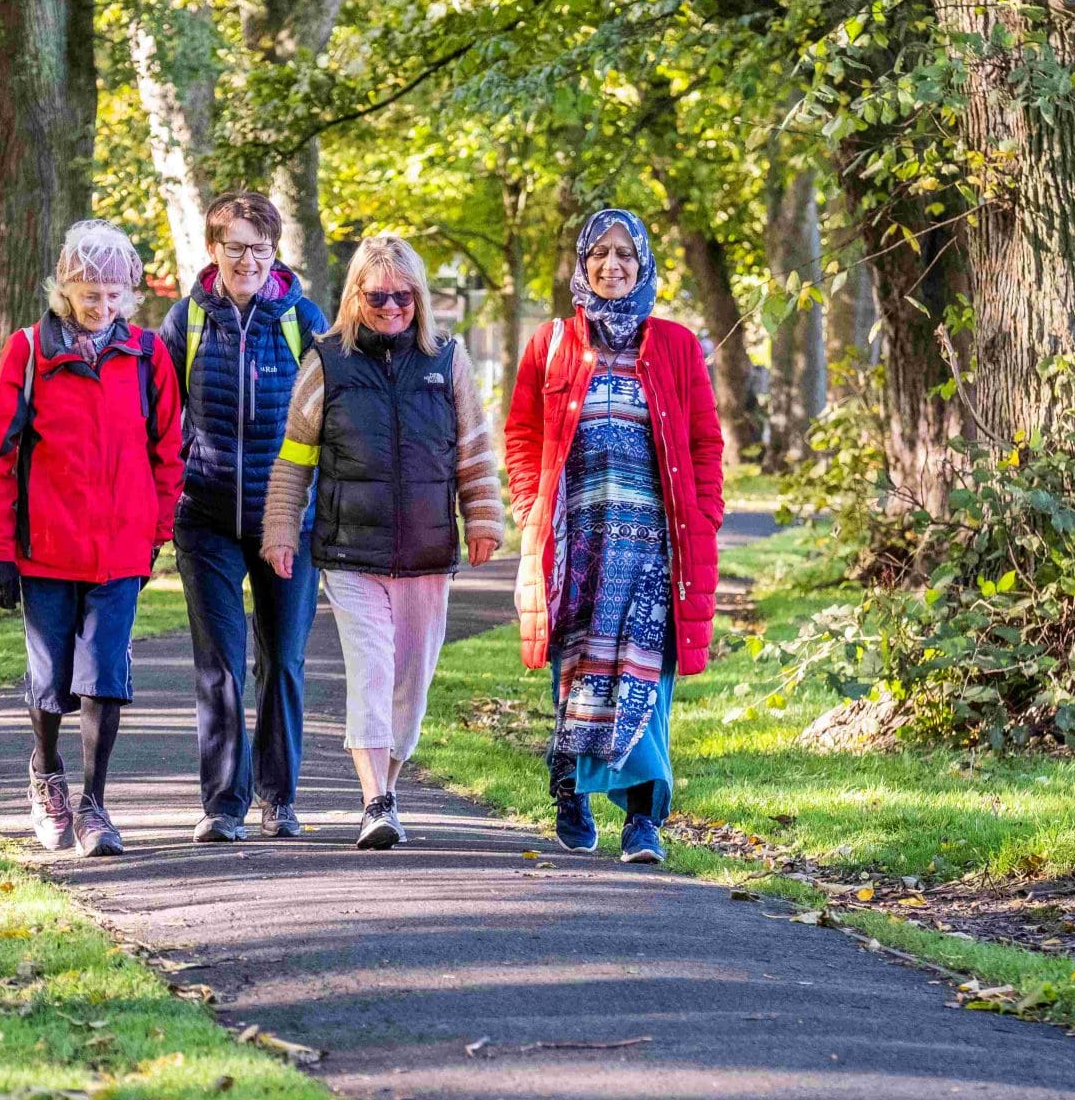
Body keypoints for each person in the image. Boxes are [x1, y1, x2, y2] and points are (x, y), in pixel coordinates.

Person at [260, 236, 503, 849]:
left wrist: (483, 519)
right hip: (350, 553)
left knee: (411, 682)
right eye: (377, 296)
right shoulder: (327, 362)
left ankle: (387, 790)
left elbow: (473, 451)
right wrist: (282, 527)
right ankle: (376, 800)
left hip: (426, 552)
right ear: (355, 297)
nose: (391, 306)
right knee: (370, 671)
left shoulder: (446, 361)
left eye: (403, 295)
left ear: (419, 298)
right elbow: (293, 460)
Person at [503, 208, 725, 864]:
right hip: (577, 545)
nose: (612, 264)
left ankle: (642, 818)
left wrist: (706, 513)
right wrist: (529, 504)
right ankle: (570, 785)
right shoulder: (551, 344)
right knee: (575, 672)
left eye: (625, 253)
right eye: (599, 252)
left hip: (656, 548)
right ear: (581, 263)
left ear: (645, 262)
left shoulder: (677, 345)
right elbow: (522, 433)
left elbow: (705, 442)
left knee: (645, 678)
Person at [0, 219, 183, 858]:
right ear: (65, 286)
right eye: (91, 291)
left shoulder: (147, 355)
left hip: (120, 550)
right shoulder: (30, 352)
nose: (103, 305)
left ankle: (95, 804)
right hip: (46, 549)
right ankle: (44, 771)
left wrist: (155, 533)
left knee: (103, 676)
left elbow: (169, 451)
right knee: (50, 679)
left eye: (115, 293)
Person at [160, 192, 329, 843]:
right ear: (213, 250)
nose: (248, 260)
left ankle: (279, 798)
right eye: (235, 247)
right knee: (220, 662)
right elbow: (156, 416)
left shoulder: (301, 318)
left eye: (260, 248)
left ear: (275, 252)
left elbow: (333, 416)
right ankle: (222, 805)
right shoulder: (188, 321)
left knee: (283, 658)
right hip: (204, 516)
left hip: (288, 519)